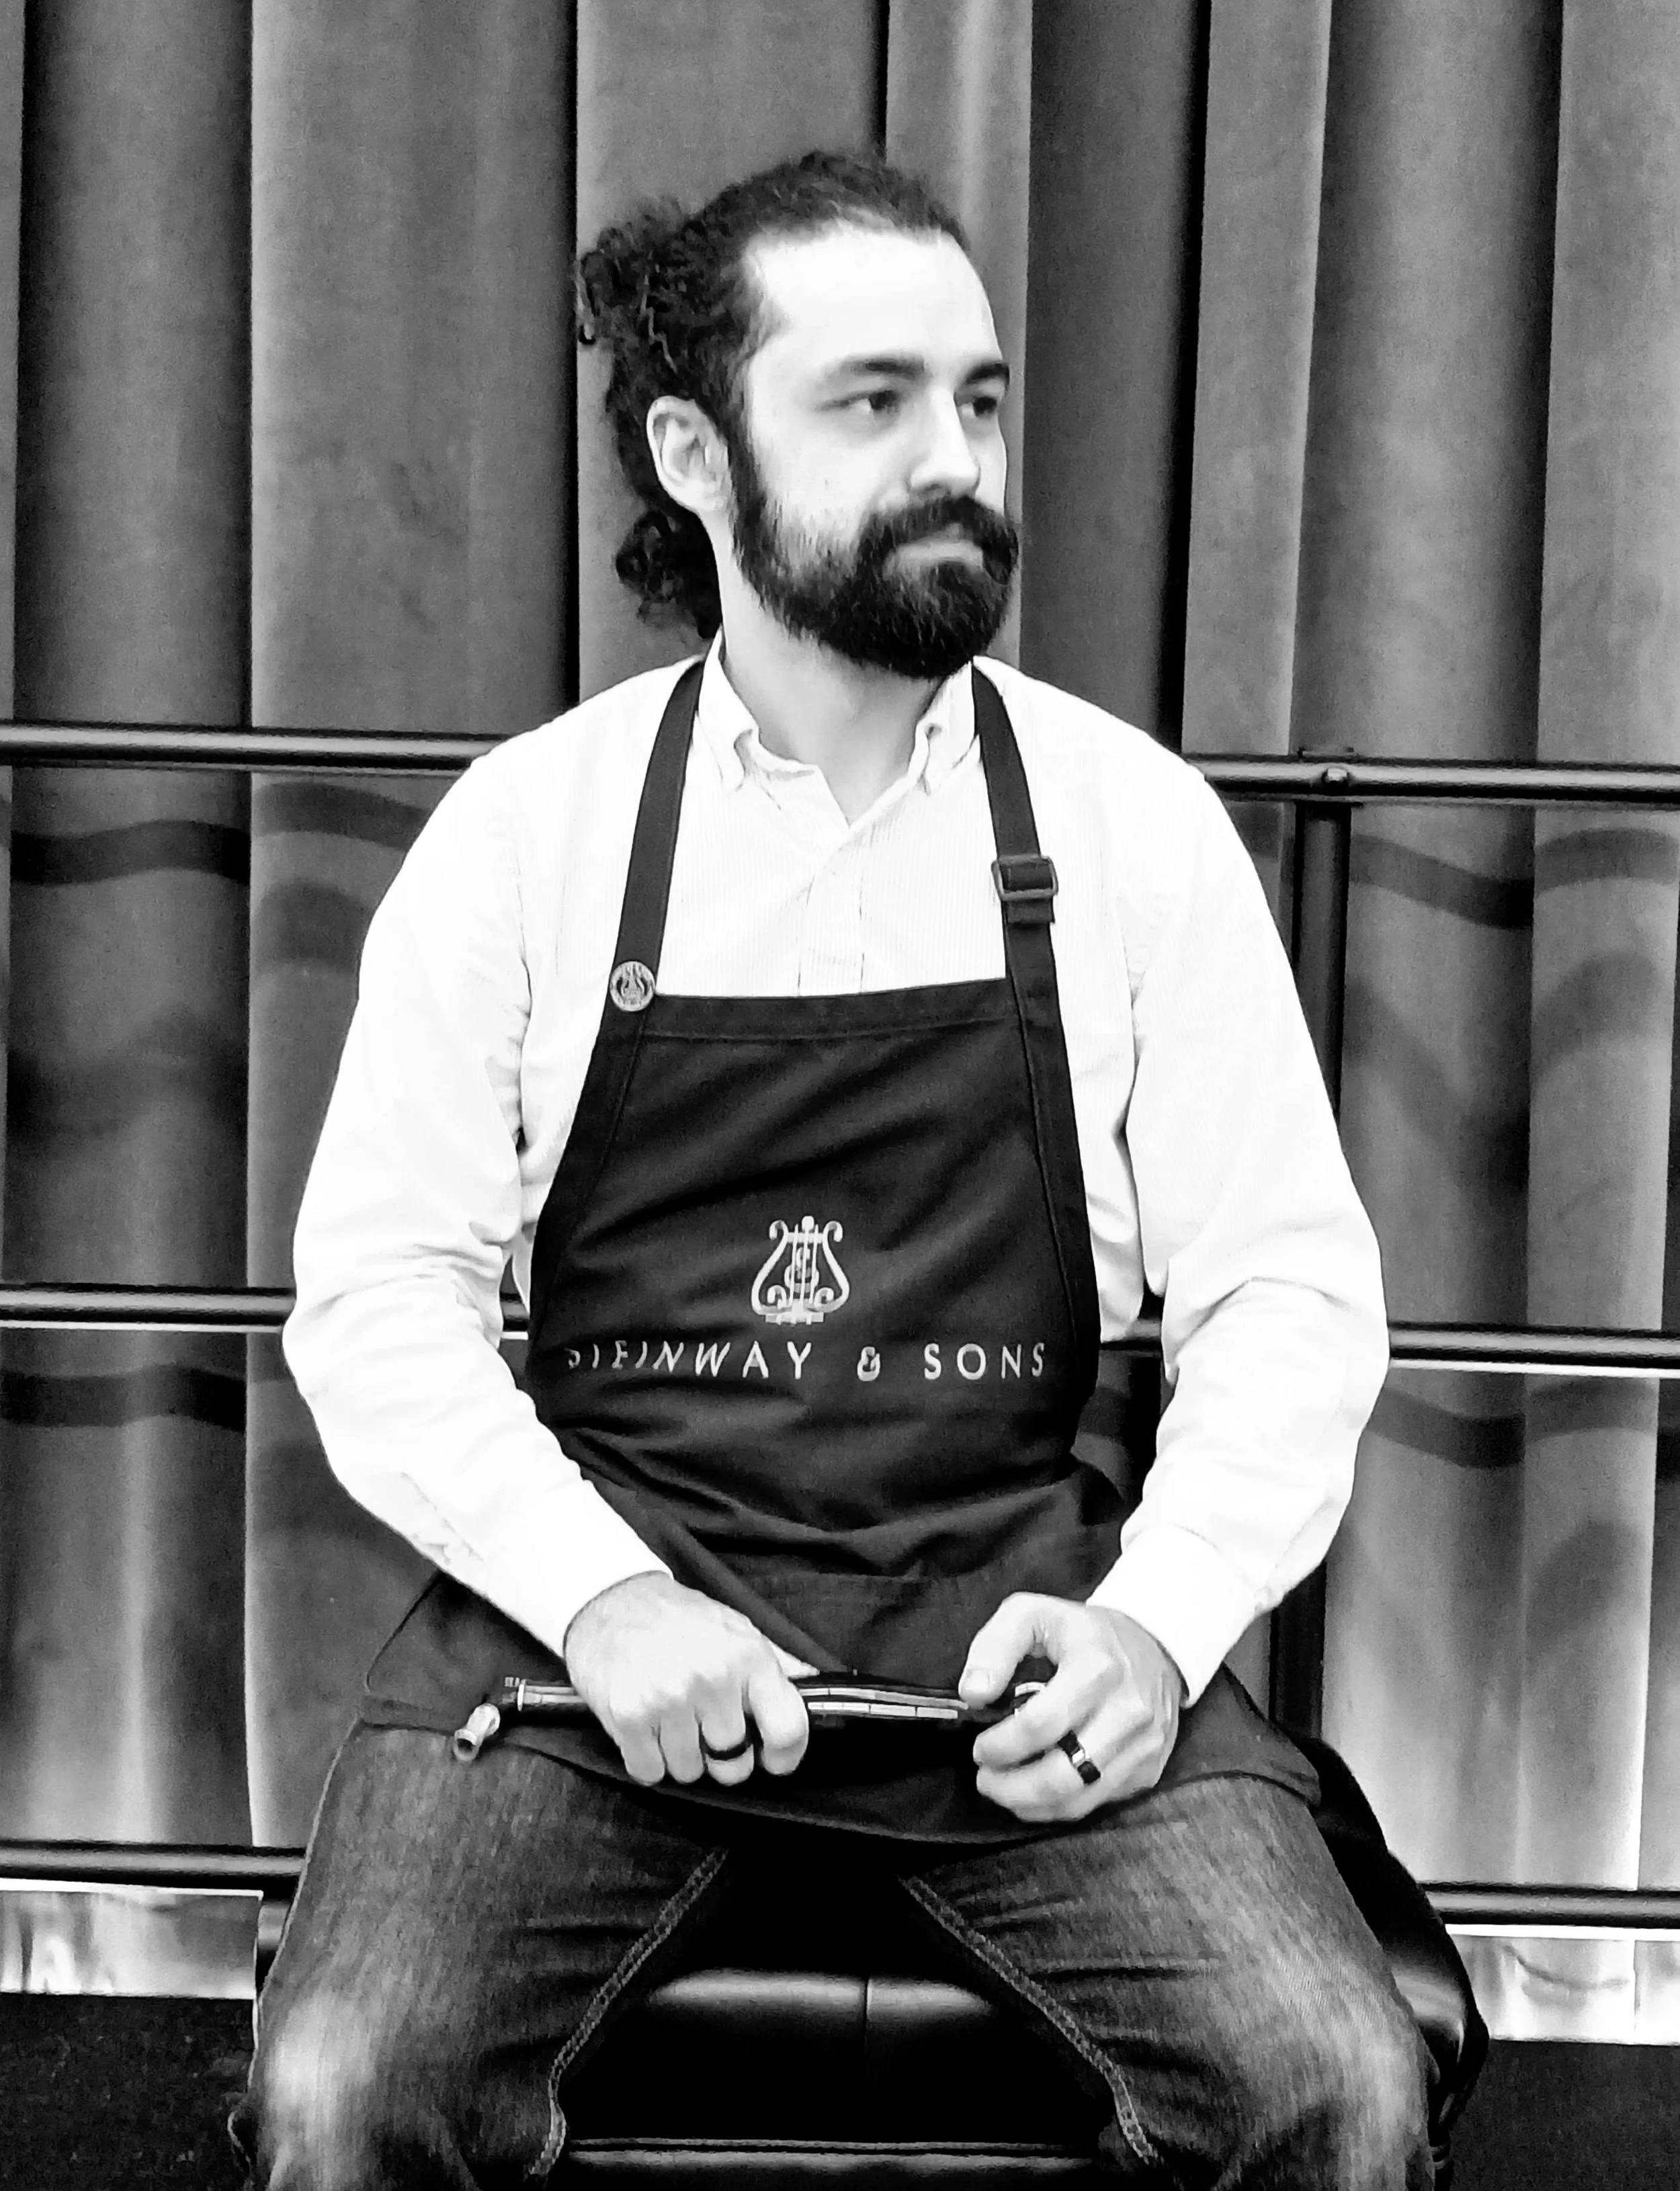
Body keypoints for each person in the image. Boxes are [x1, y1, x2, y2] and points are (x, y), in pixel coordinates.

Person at [235, 150, 1432, 2187]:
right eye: (869, 403)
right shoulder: (531, 838)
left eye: (973, 399)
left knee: (1335, 2081)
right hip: (601, 1633)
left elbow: (1288, 1293)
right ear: (694, 454)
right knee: (347, 2087)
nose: (949, 456)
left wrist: (1153, 1625)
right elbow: (374, 1297)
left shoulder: (1134, 833)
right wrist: (602, 1597)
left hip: (1019, 1626)